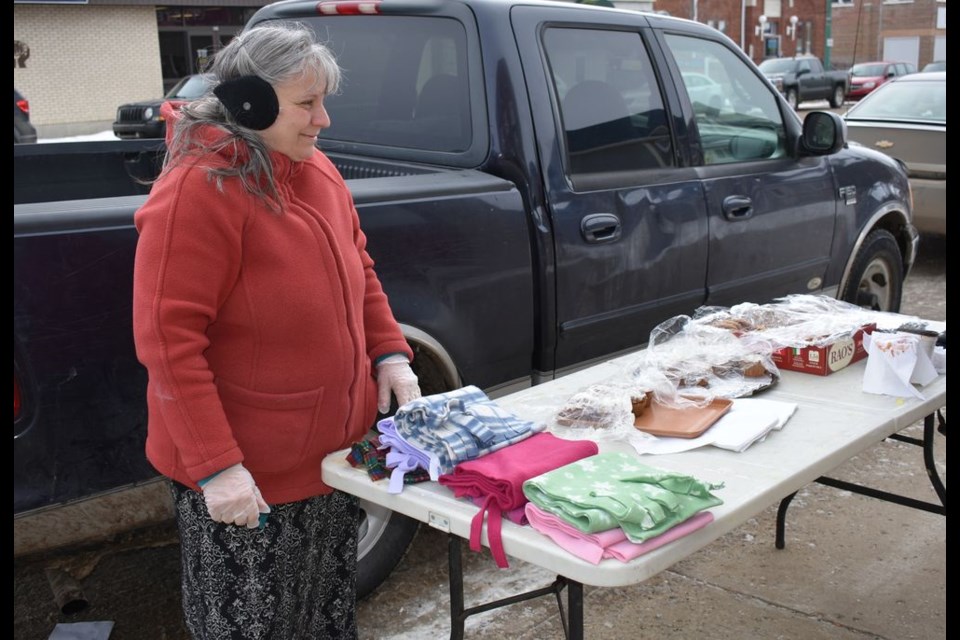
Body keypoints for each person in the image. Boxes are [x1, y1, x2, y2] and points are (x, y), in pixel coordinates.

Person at [131, 21, 422, 640]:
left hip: (333, 463)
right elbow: (168, 345)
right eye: (307, 103)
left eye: (324, 101)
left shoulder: (317, 170)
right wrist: (217, 468)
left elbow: (360, 267)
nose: (324, 120)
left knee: (323, 619)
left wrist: (388, 351)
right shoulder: (197, 192)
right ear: (250, 102)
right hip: (248, 482)